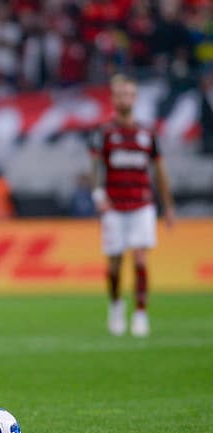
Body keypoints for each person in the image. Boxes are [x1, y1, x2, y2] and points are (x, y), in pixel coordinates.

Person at [89, 73, 175, 337]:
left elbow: (159, 170)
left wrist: (168, 205)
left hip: (142, 204)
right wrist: (98, 195)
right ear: (114, 99)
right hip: (115, 205)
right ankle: (116, 306)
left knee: (139, 257)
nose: (125, 98)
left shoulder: (147, 133)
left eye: (129, 93)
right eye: (120, 94)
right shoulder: (105, 133)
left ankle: (140, 313)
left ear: (135, 98)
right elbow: (95, 167)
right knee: (114, 263)